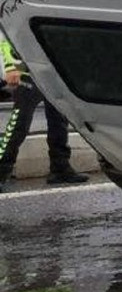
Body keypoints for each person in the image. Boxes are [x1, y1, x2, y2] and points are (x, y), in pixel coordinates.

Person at [0, 38, 87, 191]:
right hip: (26, 71)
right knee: (19, 123)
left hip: (52, 71)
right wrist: (10, 66)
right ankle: (2, 170)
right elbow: (7, 37)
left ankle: (60, 168)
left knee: (59, 120)